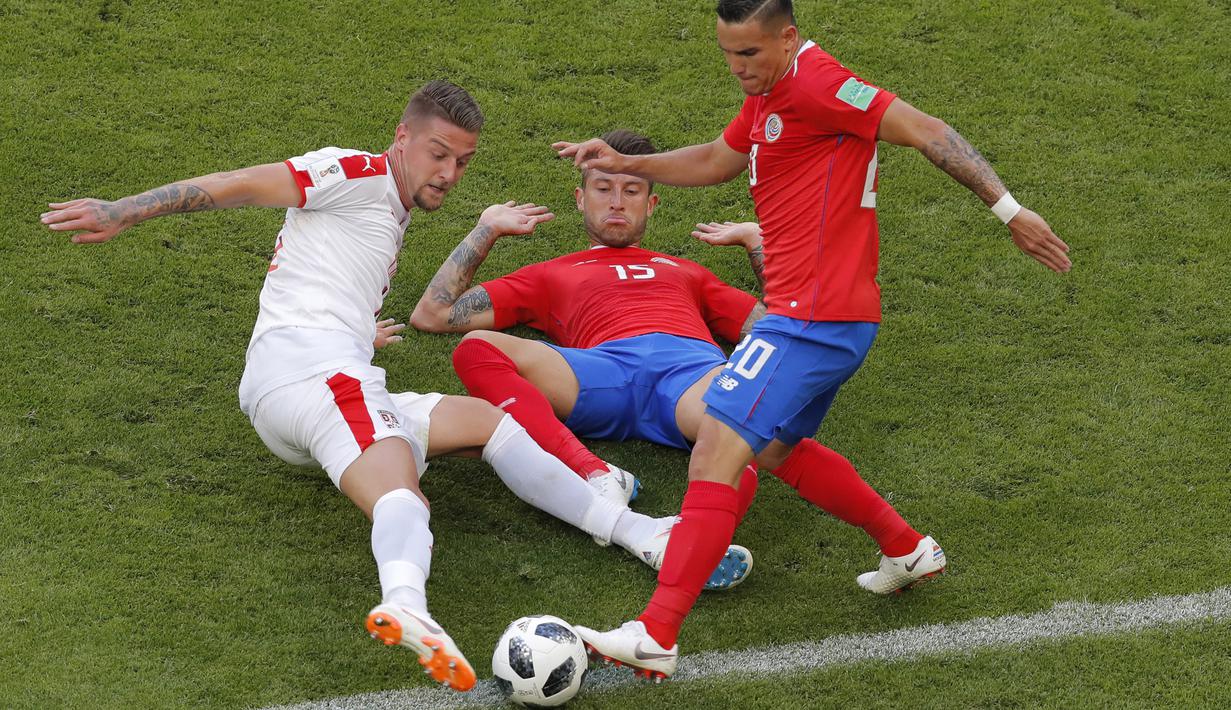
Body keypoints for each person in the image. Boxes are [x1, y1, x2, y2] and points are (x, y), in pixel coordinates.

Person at [38, 81, 701, 693]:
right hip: (312, 372)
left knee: (487, 423)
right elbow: (242, 184)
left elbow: (319, 272)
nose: (448, 173)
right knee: (399, 492)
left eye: (462, 161)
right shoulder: (356, 170)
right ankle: (405, 604)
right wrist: (125, 209)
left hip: (311, 376)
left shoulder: (386, 204)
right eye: (438, 153)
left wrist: (356, 329)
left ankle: (639, 533)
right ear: (402, 138)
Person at [552, 0, 1072, 680]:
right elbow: (717, 158)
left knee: (714, 446)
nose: (738, 68)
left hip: (811, 318)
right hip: (810, 317)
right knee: (772, 447)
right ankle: (905, 548)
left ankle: (655, 633)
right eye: (728, 54)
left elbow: (924, 128)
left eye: (749, 54)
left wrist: (1008, 211)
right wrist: (629, 162)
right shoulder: (771, 93)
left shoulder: (821, 84)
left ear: (787, 38)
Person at [408, 128, 937, 601]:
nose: (617, 202)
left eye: (631, 190)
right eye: (603, 189)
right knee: (477, 350)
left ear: (652, 203)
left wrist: (758, 245)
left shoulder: (687, 272)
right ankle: (595, 473)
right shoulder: (552, 272)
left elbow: (780, 329)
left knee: (749, 422)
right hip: (600, 370)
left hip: (689, 376)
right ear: (579, 198)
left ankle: (687, 542)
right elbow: (433, 314)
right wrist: (487, 228)